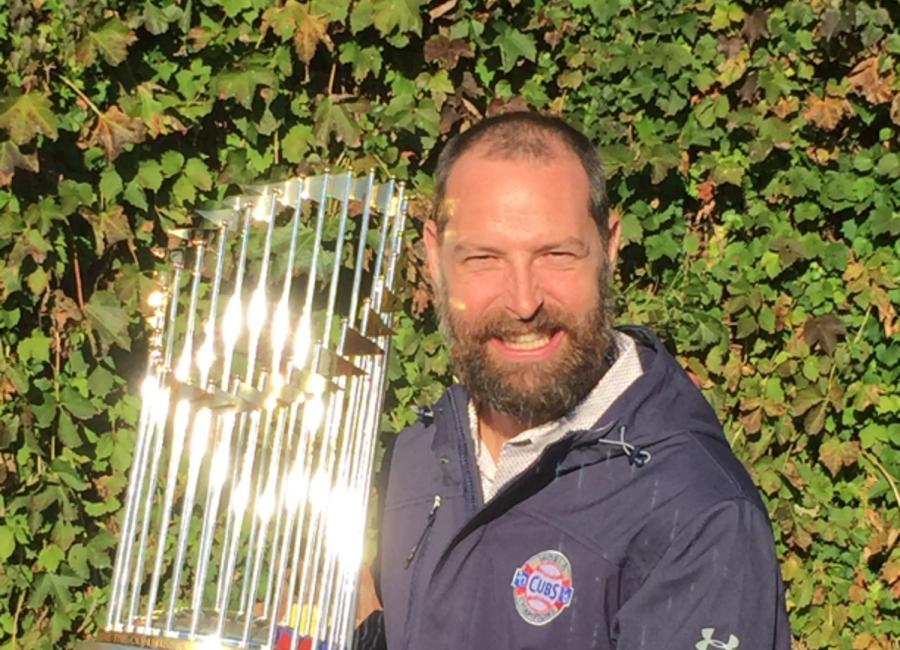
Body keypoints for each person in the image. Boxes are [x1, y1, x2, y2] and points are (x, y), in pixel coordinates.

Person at [364, 111, 791, 649]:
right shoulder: (421, 452)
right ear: (434, 256)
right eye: (483, 258)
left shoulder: (695, 515)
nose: (523, 302)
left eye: (556, 255)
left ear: (609, 248)